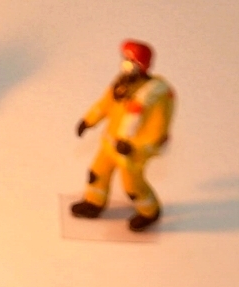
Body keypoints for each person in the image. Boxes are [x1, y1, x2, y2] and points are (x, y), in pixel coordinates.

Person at [70, 40, 175, 231]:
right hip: (111, 143)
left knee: (132, 186)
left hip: (132, 152)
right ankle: (94, 202)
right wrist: (88, 120)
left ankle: (149, 212)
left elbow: (158, 128)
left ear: (141, 65)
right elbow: (105, 103)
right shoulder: (122, 84)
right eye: (125, 59)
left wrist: (133, 146)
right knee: (97, 172)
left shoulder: (156, 95)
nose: (125, 64)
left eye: (130, 61)